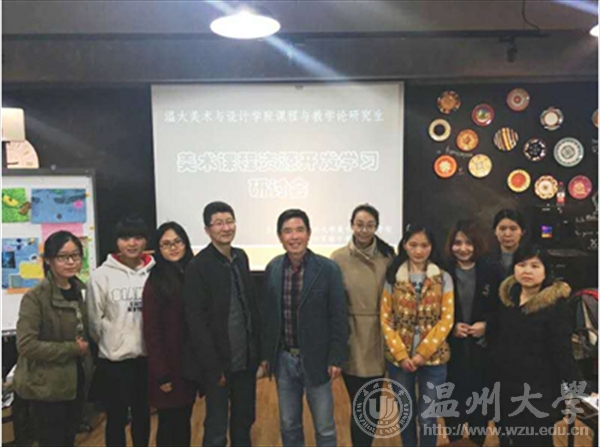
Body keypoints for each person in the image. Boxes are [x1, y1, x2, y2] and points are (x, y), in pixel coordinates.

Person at [487, 245, 593, 446]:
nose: (527, 271)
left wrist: (581, 389)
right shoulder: (508, 297)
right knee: (507, 437)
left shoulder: (555, 307)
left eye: (535, 266)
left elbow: (563, 354)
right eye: (522, 264)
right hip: (506, 387)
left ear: (546, 271)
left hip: (539, 392)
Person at [261, 209, 348, 447]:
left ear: (309, 233)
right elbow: (267, 317)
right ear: (280, 236)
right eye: (287, 231)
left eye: (300, 230)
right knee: (289, 425)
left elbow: (338, 316)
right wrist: (267, 355)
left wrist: (336, 357)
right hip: (284, 359)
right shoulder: (273, 268)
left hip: (317, 358)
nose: (294, 236)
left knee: (325, 428)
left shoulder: (328, 269)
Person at [182, 201, 261, 447]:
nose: (226, 228)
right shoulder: (198, 266)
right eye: (218, 223)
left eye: (229, 221)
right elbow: (196, 322)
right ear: (207, 230)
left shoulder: (241, 257)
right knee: (216, 426)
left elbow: (250, 307)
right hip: (218, 364)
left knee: (244, 420)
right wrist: (213, 366)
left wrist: (257, 354)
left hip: (245, 360)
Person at [13, 231, 93, 447]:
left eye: (75, 256)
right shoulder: (35, 297)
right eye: (63, 257)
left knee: (69, 439)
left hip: (76, 381)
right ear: (48, 260)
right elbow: (26, 345)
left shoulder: (81, 290)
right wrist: (72, 348)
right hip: (46, 387)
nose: (71, 262)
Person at [381, 224, 454, 447]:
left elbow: (446, 320)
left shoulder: (443, 277)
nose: (419, 251)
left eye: (424, 245)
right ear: (404, 245)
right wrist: (401, 355)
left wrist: (422, 353)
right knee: (406, 414)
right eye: (413, 245)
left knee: (428, 416)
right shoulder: (393, 276)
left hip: (434, 360)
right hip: (399, 360)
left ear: (432, 247)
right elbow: (386, 319)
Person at [87, 214, 155, 447]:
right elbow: (94, 322)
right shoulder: (100, 276)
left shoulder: (155, 272)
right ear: (116, 242)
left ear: (145, 241)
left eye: (138, 238)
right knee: (115, 418)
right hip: (114, 361)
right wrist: (112, 342)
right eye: (125, 238)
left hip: (147, 359)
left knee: (143, 416)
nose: (132, 243)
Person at [330, 204, 394, 447]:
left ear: (377, 227)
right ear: (351, 225)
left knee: (371, 404)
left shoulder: (388, 257)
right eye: (359, 224)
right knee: (359, 402)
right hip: (352, 336)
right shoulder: (338, 258)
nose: (364, 230)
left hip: (379, 335)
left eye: (370, 225)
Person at [443, 220, 502, 446]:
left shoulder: (492, 271)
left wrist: (487, 325)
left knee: (480, 411)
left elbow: (502, 310)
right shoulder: (441, 271)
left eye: (468, 243)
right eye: (457, 243)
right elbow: (432, 311)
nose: (463, 248)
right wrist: (451, 327)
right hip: (452, 355)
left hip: (482, 353)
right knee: (453, 411)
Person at [142, 222, 197, 447]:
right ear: (158, 249)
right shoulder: (155, 281)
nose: (173, 248)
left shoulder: (193, 274)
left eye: (177, 242)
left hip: (189, 365)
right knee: (168, 425)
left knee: (184, 421)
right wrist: (161, 373)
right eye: (166, 244)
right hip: (168, 367)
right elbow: (151, 331)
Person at [492, 209, 527, 278]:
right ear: (495, 231)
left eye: (513, 229)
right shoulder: (484, 261)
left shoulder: (532, 259)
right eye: (502, 229)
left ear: (523, 232)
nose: (507, 234)